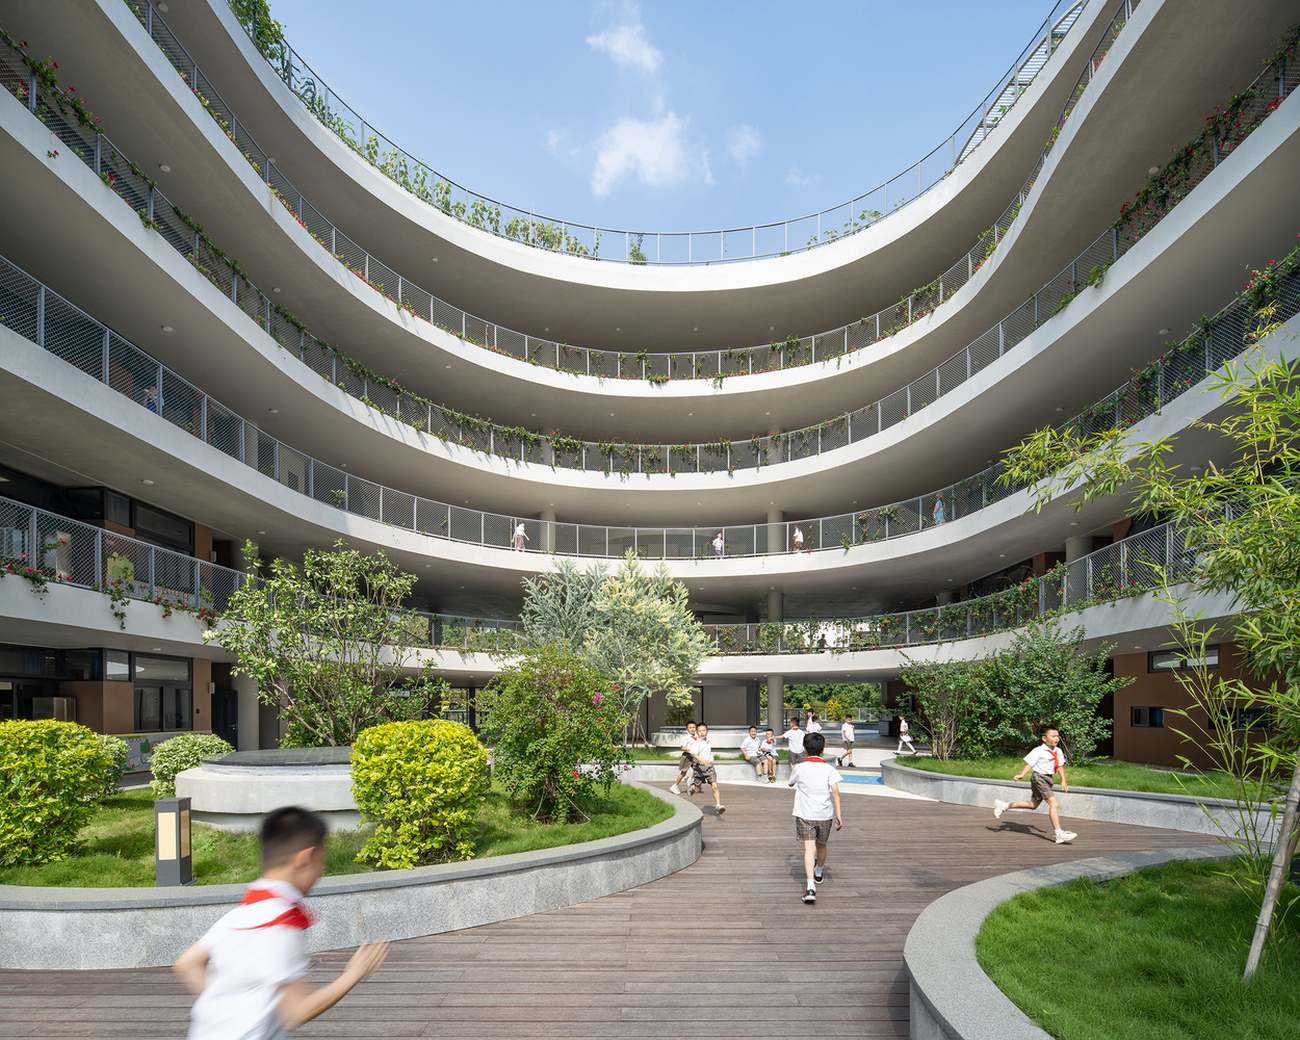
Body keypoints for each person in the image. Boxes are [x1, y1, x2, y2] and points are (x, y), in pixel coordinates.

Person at [175, 806, 389, 1039]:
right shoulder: (280, 922)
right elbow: (296, 1012)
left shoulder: (244, 911)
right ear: (305, 859)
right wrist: (353, 974)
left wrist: (225, 1012)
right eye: (321, 863)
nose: (321, 874)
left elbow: (188, 963)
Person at [994, 726, 1078, 845]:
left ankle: (1004, 805)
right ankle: (1059, 833)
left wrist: (1063, 780)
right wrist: (1021, 774)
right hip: (1039, 777)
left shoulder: (1058, 751)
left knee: (1033, 805)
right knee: (1054, 803)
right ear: (1044, 738)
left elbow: (1060, 766)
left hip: (1048, 778)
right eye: (1053, 736)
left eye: (1057, 736)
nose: (1056, 738)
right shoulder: (1038, 750)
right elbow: (1029, 764)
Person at [787, 731, 842, 904]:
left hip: (805, 814)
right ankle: (819, 871)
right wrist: (838, 815)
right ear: (823, 748)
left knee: (809, 849)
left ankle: (810, 887)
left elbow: (790, 783)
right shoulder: (829, 769)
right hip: (825, 814)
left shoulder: (799, 768)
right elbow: (836, 792)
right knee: (822, 845)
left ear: (804, 748)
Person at [687, 723, 726, 815]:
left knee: (715, 786)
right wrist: (702, 761)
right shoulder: (696, 743)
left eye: (704, 730)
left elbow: (709, 752)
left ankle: (718, 805)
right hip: (699, 768)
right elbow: (694, 754)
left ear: (707, 731)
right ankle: (692, 786)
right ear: (697, 732)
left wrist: (711, 760)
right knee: (697, 789)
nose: (702, 733)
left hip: (709, 768)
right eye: (700, 731)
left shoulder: (708, 741)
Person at [669, 721, 698, 795]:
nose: (692, 729)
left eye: (694, 727)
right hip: (687, 756)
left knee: (697, 769)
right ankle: (675, 786)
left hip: (694, 756)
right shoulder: (686, 737)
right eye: (690, 727)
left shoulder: (696, 736)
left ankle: (689, 779)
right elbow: (682, 748)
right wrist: (690, 750)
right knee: (683, 772)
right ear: (687, 729)